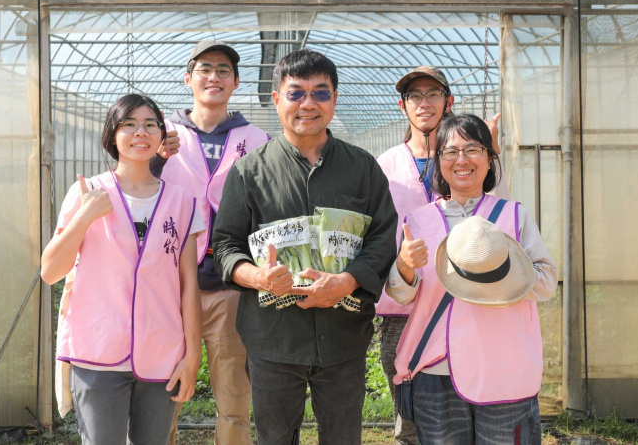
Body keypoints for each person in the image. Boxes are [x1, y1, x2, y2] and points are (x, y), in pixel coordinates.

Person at [213, 48, 398, 445]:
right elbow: (225, 246)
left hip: (344, 335)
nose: (308, 104)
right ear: (276, 99)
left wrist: (347, 282)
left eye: (321, 93)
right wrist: (258, 276)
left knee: (343, 437)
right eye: (296, 93)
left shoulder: (362, 168)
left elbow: (383, 238)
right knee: (275, 437)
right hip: (273, 338)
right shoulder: (248, 172)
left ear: (335, 98)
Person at [42, 94, 203, 445]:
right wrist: (85, 215)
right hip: (97, 353)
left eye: (150, 124)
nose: (140, 132)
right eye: (128, 124)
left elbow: (188, 283)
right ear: (112, 135)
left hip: (162, 352)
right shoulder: (86, 193)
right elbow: (51, 271)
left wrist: (193, 355)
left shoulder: (183, 201)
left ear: (163, 136)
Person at [387, 113, 558, 444]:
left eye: (473, 149)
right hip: (437, 372)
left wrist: (505, 272)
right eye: (450, 152)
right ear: (438, 161)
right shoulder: (418, 222)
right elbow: (401, 294)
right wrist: (405, 266)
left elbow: (546, 281)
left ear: (489, 157)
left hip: (504, 369)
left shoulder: (514, 216)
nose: (461, 160)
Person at [375, 66, 509, 444]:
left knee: (465, 411)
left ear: (448, 102)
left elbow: (495, 217)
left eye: (433, 94)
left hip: (469, 304)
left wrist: (489, 153)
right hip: (404, 310)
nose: (424, 103)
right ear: (403, 106)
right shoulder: (386, 166)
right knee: (412, 415)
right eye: (414, 96)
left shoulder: (467, 159)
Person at [151, 40, 268, 445]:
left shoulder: (257, 139)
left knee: (233, 395)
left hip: (229, 286)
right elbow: (131, 185)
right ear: (188, 78)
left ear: (236, 82)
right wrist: (156, 159)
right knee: (163, 392)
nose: (213, 77)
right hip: (170, 284)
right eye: (204, 69)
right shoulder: (159, 133)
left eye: (223, 70)